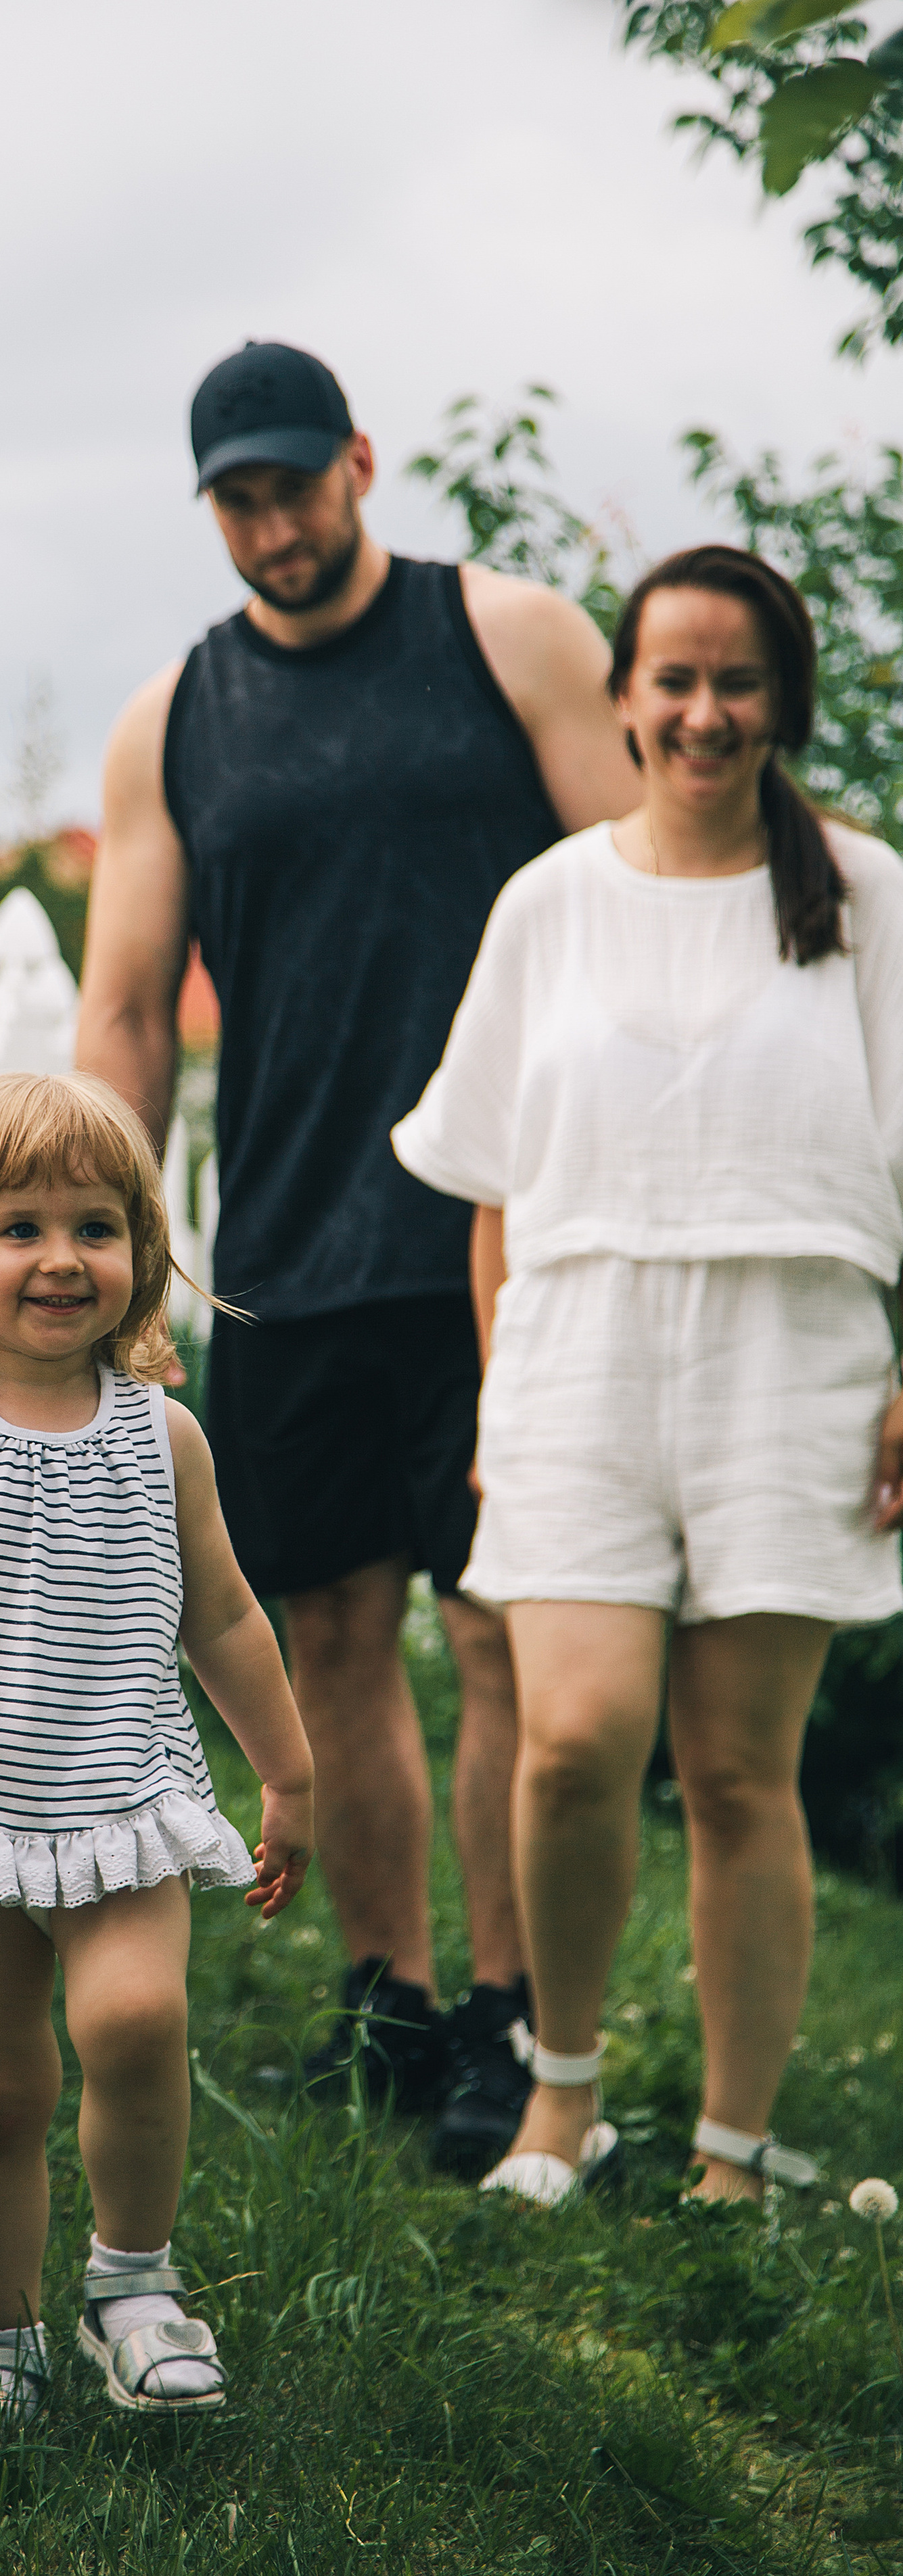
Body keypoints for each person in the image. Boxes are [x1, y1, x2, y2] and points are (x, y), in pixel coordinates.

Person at [75, 338, 640, 2175]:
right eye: (237, 496)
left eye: (295, 484)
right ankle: (388, 2001)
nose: (271, 522)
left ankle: (507, 2016)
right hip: (289, 1249)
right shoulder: (174, 721)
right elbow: (127, 1013)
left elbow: (647, 891)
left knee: (491, 1633)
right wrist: (121, 1245)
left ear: (361, 466)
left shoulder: (515, 637)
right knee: (329, 1630)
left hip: (507, 1236)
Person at [392, 544, 903, 2206]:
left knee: (745, 1769)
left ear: (781, 702)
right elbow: (486, 1189)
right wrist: (499, 1396)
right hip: (575, 1362)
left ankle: (732, 2152)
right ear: (619, 699)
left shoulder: (869, 895)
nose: (701, 711)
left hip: (793, 1359)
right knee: (571, 1743)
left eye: (734, 679)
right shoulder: (548, 901)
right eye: (670, 679)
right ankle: (560, 2100)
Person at [0, 1072, 315, 2417]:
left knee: (137, 2020)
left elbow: (219, 1614)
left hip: (123, 1802)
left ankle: (132, 2286)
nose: (58, 1258)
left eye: (93, 1227)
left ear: (142, 1255)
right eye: (18, 1227)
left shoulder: (164, 1438)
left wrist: (285, 1771)